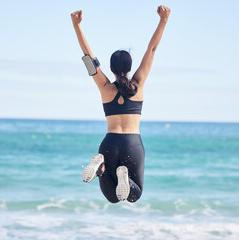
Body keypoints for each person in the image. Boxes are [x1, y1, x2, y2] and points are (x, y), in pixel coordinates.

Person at [71, 5, 170, 203]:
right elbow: (151, 50)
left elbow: (88, 57)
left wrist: (77, 26)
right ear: (130, 67)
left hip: (109, 144)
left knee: (112, 197)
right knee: (134, 194)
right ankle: (121, 175)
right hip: (132, 143)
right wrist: (163, 20)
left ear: (111, 68)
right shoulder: (138, 85)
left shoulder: (105, 87)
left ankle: (101, 168)